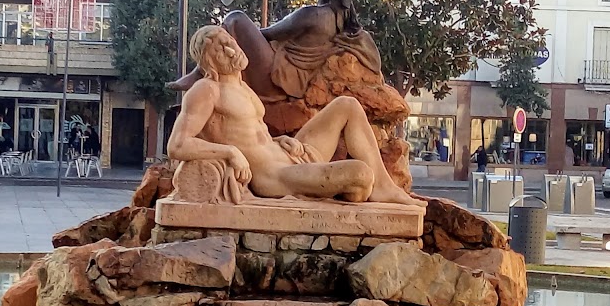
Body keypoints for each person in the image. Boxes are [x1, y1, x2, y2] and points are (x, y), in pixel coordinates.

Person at [167, 25, 424, 207]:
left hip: (292, 155)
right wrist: (231, 153)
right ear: (209, 64)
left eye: (228, 42)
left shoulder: (243, 87)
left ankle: (383, 187)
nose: (232, 50)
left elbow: (253, 135)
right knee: (360, 174)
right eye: (220, 51)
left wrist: (278, 140)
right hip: (276, 176)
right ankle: (356, 186)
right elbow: (177, 144)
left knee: (347, 105)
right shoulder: (207, 90)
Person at [167, 0, 383, 103]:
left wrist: (241, 36)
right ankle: (201, 73)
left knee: (236, 19)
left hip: (277, 79)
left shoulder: (313, 14)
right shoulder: (339, 22)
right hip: (291, 83)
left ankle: (199, 72)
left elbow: (267, 34)